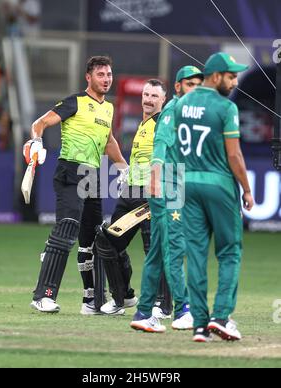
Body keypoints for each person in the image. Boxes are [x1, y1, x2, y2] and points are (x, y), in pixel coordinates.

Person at [25, 56, 128, 314]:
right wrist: (36, 141)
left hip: (92, 174)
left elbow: (109, 141)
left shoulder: (108, 108)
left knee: (94, 239)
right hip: (71, 170)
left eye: (109, 75)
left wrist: (124, 168)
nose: (106, 79)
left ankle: (92, 301)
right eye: (101, 74)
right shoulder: (75, 102)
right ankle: (43, 295)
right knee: (67, 230)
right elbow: (40, 123)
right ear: (89, 77)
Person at [174, 52, 253, 342]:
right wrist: (245, 188)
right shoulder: (225, 107)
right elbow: (234, 154)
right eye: (231, 76)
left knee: (195, 255)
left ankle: (198, 325)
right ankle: (221, 317)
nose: (234, 82)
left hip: (189, 184)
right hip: (218, 184)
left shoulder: (181, 104)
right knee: (230, 251)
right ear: (216, 76)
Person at [130, 66, 204, 333]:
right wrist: (154, 179)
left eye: (198, 84)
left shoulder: (188, 114)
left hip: (174, 184)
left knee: (158, 252)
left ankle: (143, 312)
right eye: (189, 84)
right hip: (166, 186)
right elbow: (159, 146)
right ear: (177, 87)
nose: (194, 89)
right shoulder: (172, 112)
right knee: (175, 248)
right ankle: (184, 309)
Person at [95, 79, 167, 315]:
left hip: (149, 195)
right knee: (107, 243)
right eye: (146, 95)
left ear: (163, 100)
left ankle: (162, 304)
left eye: (154, 96)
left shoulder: (163, 124)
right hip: (130, 193)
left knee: (153, 248)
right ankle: (123, 298)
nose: (148, 99)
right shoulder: (143, 123)